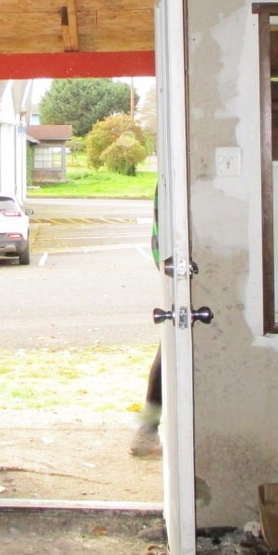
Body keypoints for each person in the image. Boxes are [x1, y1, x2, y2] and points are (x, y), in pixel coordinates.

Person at [130, 189, 162, 458]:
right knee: (170, 349)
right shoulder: (169, 182)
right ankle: (147, 430)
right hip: (175, 264)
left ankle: (147, 430)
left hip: (169, 260)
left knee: (169, 349)